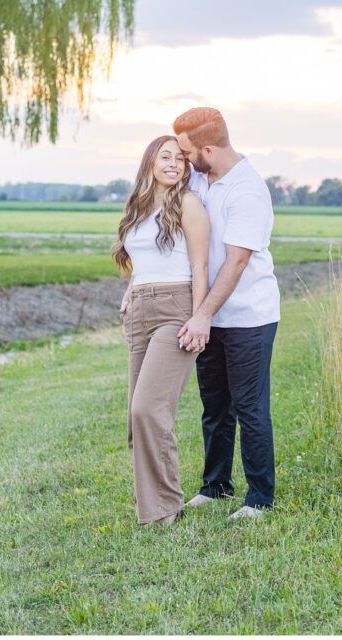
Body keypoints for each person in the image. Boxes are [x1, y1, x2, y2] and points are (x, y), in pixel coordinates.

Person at [173, 107, 281, 520]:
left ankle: (259, 498)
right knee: (215, 406)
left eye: (186, 152)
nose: (183, 160)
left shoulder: (247, 191)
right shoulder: (201, 177)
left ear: (209, 149)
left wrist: (202, 315)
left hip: (249, 316)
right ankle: (216, 485)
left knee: (249, 405)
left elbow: (236, 262)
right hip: (210, 315)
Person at [112, 135, 210, 526]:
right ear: (150, 161)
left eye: (180, 159)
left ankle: (168, 506)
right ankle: (151, 511)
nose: (174, 164)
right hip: (140, 309)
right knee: (136, 419)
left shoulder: (188, 204)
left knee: (148, 409)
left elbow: (200, 267)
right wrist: (130, 291)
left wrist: (200, 317)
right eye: (165, 157)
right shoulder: (138, 206)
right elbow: (143, 260)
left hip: (176, 308)